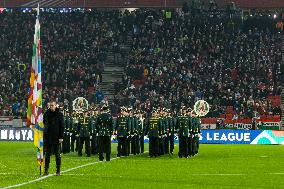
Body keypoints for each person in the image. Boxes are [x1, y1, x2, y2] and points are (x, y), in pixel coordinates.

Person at [43, 101, 64, 176]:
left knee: (57, 155)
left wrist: (61, 137)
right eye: (50, 105)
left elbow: (62, 126)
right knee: (47, 154)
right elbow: (44, 123)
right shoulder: (46, 114)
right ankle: (46, 170)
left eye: (53, 105)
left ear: (55, 106)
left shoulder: (59, 114)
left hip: (56, 137)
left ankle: (58, 171)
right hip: (48, 137)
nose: (51, 107)